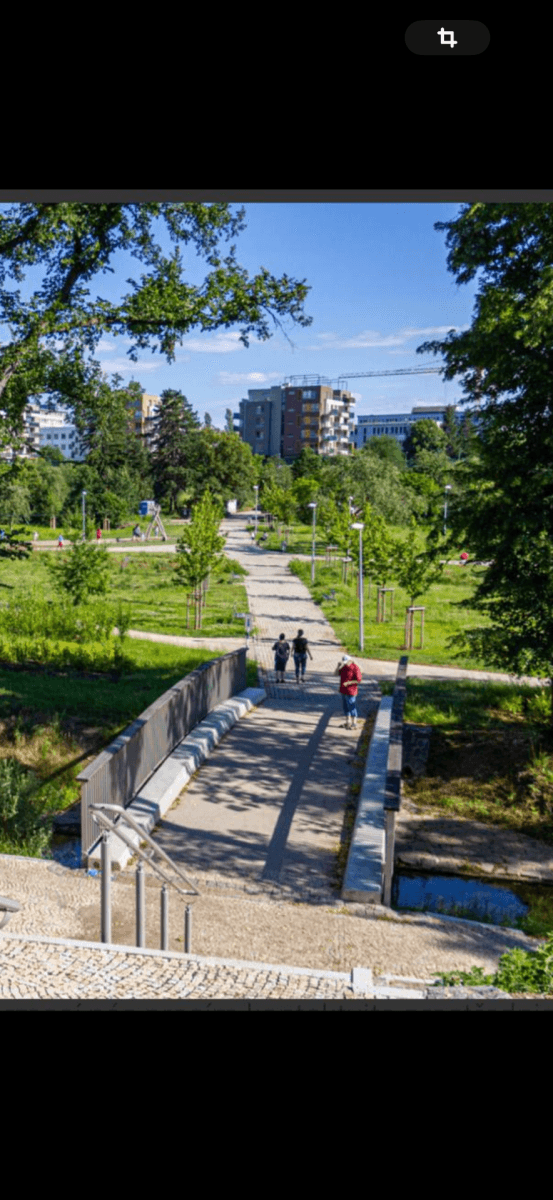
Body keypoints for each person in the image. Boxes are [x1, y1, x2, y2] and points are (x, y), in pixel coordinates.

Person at [334, 654, 362, 729]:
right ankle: (348, 722)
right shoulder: (344, 667)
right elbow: (336, 674)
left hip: (351, 690)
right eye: (344, 662)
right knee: (345, 706)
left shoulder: (355, 667)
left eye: (346, 662)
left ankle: (354, 723)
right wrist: (338, 666)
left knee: (351, 705)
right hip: (343, 690)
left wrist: (349, 682)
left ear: (350, 660)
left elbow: (359, 680)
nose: (345, 663)